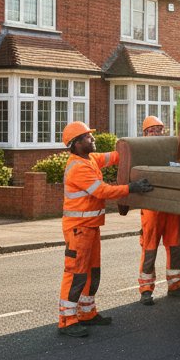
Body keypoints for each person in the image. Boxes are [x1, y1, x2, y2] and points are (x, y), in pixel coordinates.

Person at [58, 121, 153, 337]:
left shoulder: (90, 159)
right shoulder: (78, 168)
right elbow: (101, 191)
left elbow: (115, 156)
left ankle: (87, 313)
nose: (93, 139)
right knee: (76, 274)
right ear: (76, 143)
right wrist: (132, 188)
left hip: (91, 228)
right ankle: (67, 319)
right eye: (88, 137)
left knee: (92, 272)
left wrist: (138, 146)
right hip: (78, 229)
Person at [136, 116, 180, 306]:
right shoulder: (141, 151)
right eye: (153, 130)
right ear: (145, 133)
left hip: (170, 206)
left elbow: (178, 167)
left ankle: (176, 285)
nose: (157, 133)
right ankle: (146, 290)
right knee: (149, 248)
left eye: (160, 129)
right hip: (152, 206)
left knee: (175, 245)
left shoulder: (170, 149)